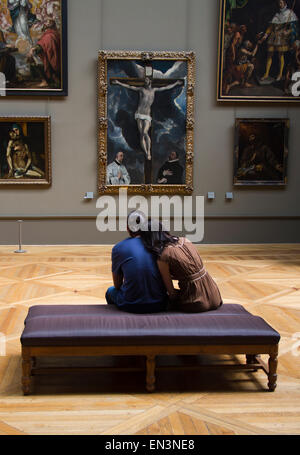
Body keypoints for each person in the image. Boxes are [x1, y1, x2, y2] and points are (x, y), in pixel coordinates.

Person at [139, 220, 223, 313]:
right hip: (215, 295)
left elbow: (171, 292)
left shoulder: (164, 256)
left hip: (195, 301)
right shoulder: (185, 240)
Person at [105, 211, 168, 314]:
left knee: (110, 291)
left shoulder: (119, 247)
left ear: (127, 228)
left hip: (130, 305)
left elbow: (117, 285)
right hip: (160, 303)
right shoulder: (157, 244)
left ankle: (116, 320)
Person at [112, 76, 184, 160]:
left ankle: (148, 152)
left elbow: (166, 87)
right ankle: (146, 153)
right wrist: (118, 83)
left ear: (150, 81)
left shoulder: (154, 90)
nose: (146, 82)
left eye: (147, 80)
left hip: (147, 115)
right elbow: (130, 86)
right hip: (139, 113)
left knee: (145, 133)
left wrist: (176, 83)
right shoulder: (141, 89)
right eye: (145, 81)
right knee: (142, 134)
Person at [259, 0, 299, 81]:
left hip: (282, 38)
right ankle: (266, 73)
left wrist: (287, 32)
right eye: (278, 3)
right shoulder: (277, 14)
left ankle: (280, 74)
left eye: (281, 3)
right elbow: (271, 27)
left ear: (284, 3)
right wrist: (265, 35)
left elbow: (294, 28)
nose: (279, 4)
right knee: (269, 55)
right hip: (273, 37)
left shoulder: (290, 13)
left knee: (280, 56)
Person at [27, 19, 61, 88]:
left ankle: (45, 80)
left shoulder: (49, 35)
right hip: (53, 57)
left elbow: (42, 45)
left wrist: (33, 49)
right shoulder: (54, 33)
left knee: (33, 57)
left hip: (51, 60)